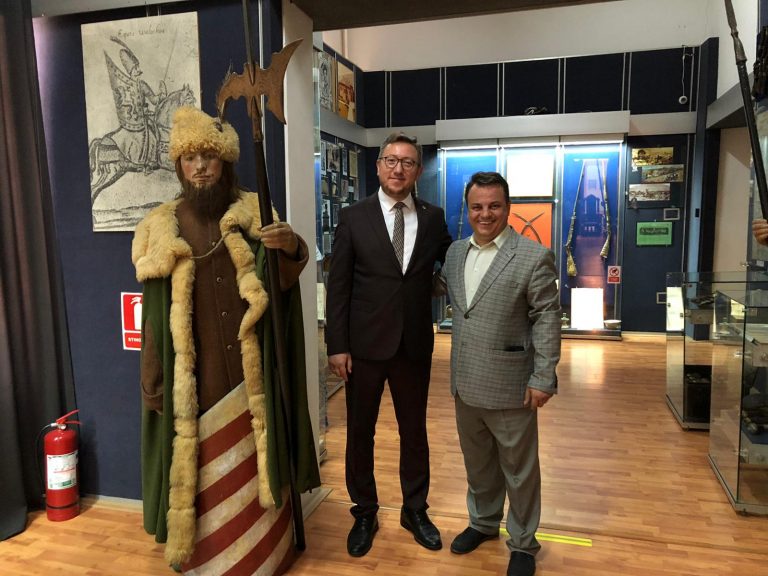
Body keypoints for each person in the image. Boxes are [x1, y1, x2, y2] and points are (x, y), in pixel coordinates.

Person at [132, 106, 320, 575]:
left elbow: (280, 284)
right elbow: (153, 316)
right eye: (190, 158)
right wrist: (152, 380)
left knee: (257, 457)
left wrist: (292, 246)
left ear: (226, 162)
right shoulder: (161, 226)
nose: (200, 167)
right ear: (179, 165)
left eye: (210, 157)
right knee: (197, 465)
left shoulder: (255, 212)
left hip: (252, 372)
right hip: (195, 377)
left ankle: (265, 553)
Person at [325, 132, 452, 557]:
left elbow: (455, 261)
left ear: (418, 171)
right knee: (360, 433)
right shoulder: (353, 217)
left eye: (408, 162)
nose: (399, 169)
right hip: (362, 348)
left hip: (413, 346)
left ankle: (415, 509)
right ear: (379, 166)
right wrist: (336, 345)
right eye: (392, 161)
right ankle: (364, 511)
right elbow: (338, 287)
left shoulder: (433, 218)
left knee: (414, 432)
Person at [442, 172, 561, 576]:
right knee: (478, 464)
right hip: (465, 383)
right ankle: (483, 522)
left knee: (519, 470)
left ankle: (523, 543)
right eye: (477, 206)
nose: (485, 214)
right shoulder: (455, 253)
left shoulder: (533, 256)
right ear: (467, 210)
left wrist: (543, 376)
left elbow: (546, 318)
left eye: (494, 205)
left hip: (511, 385)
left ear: (508, 208)